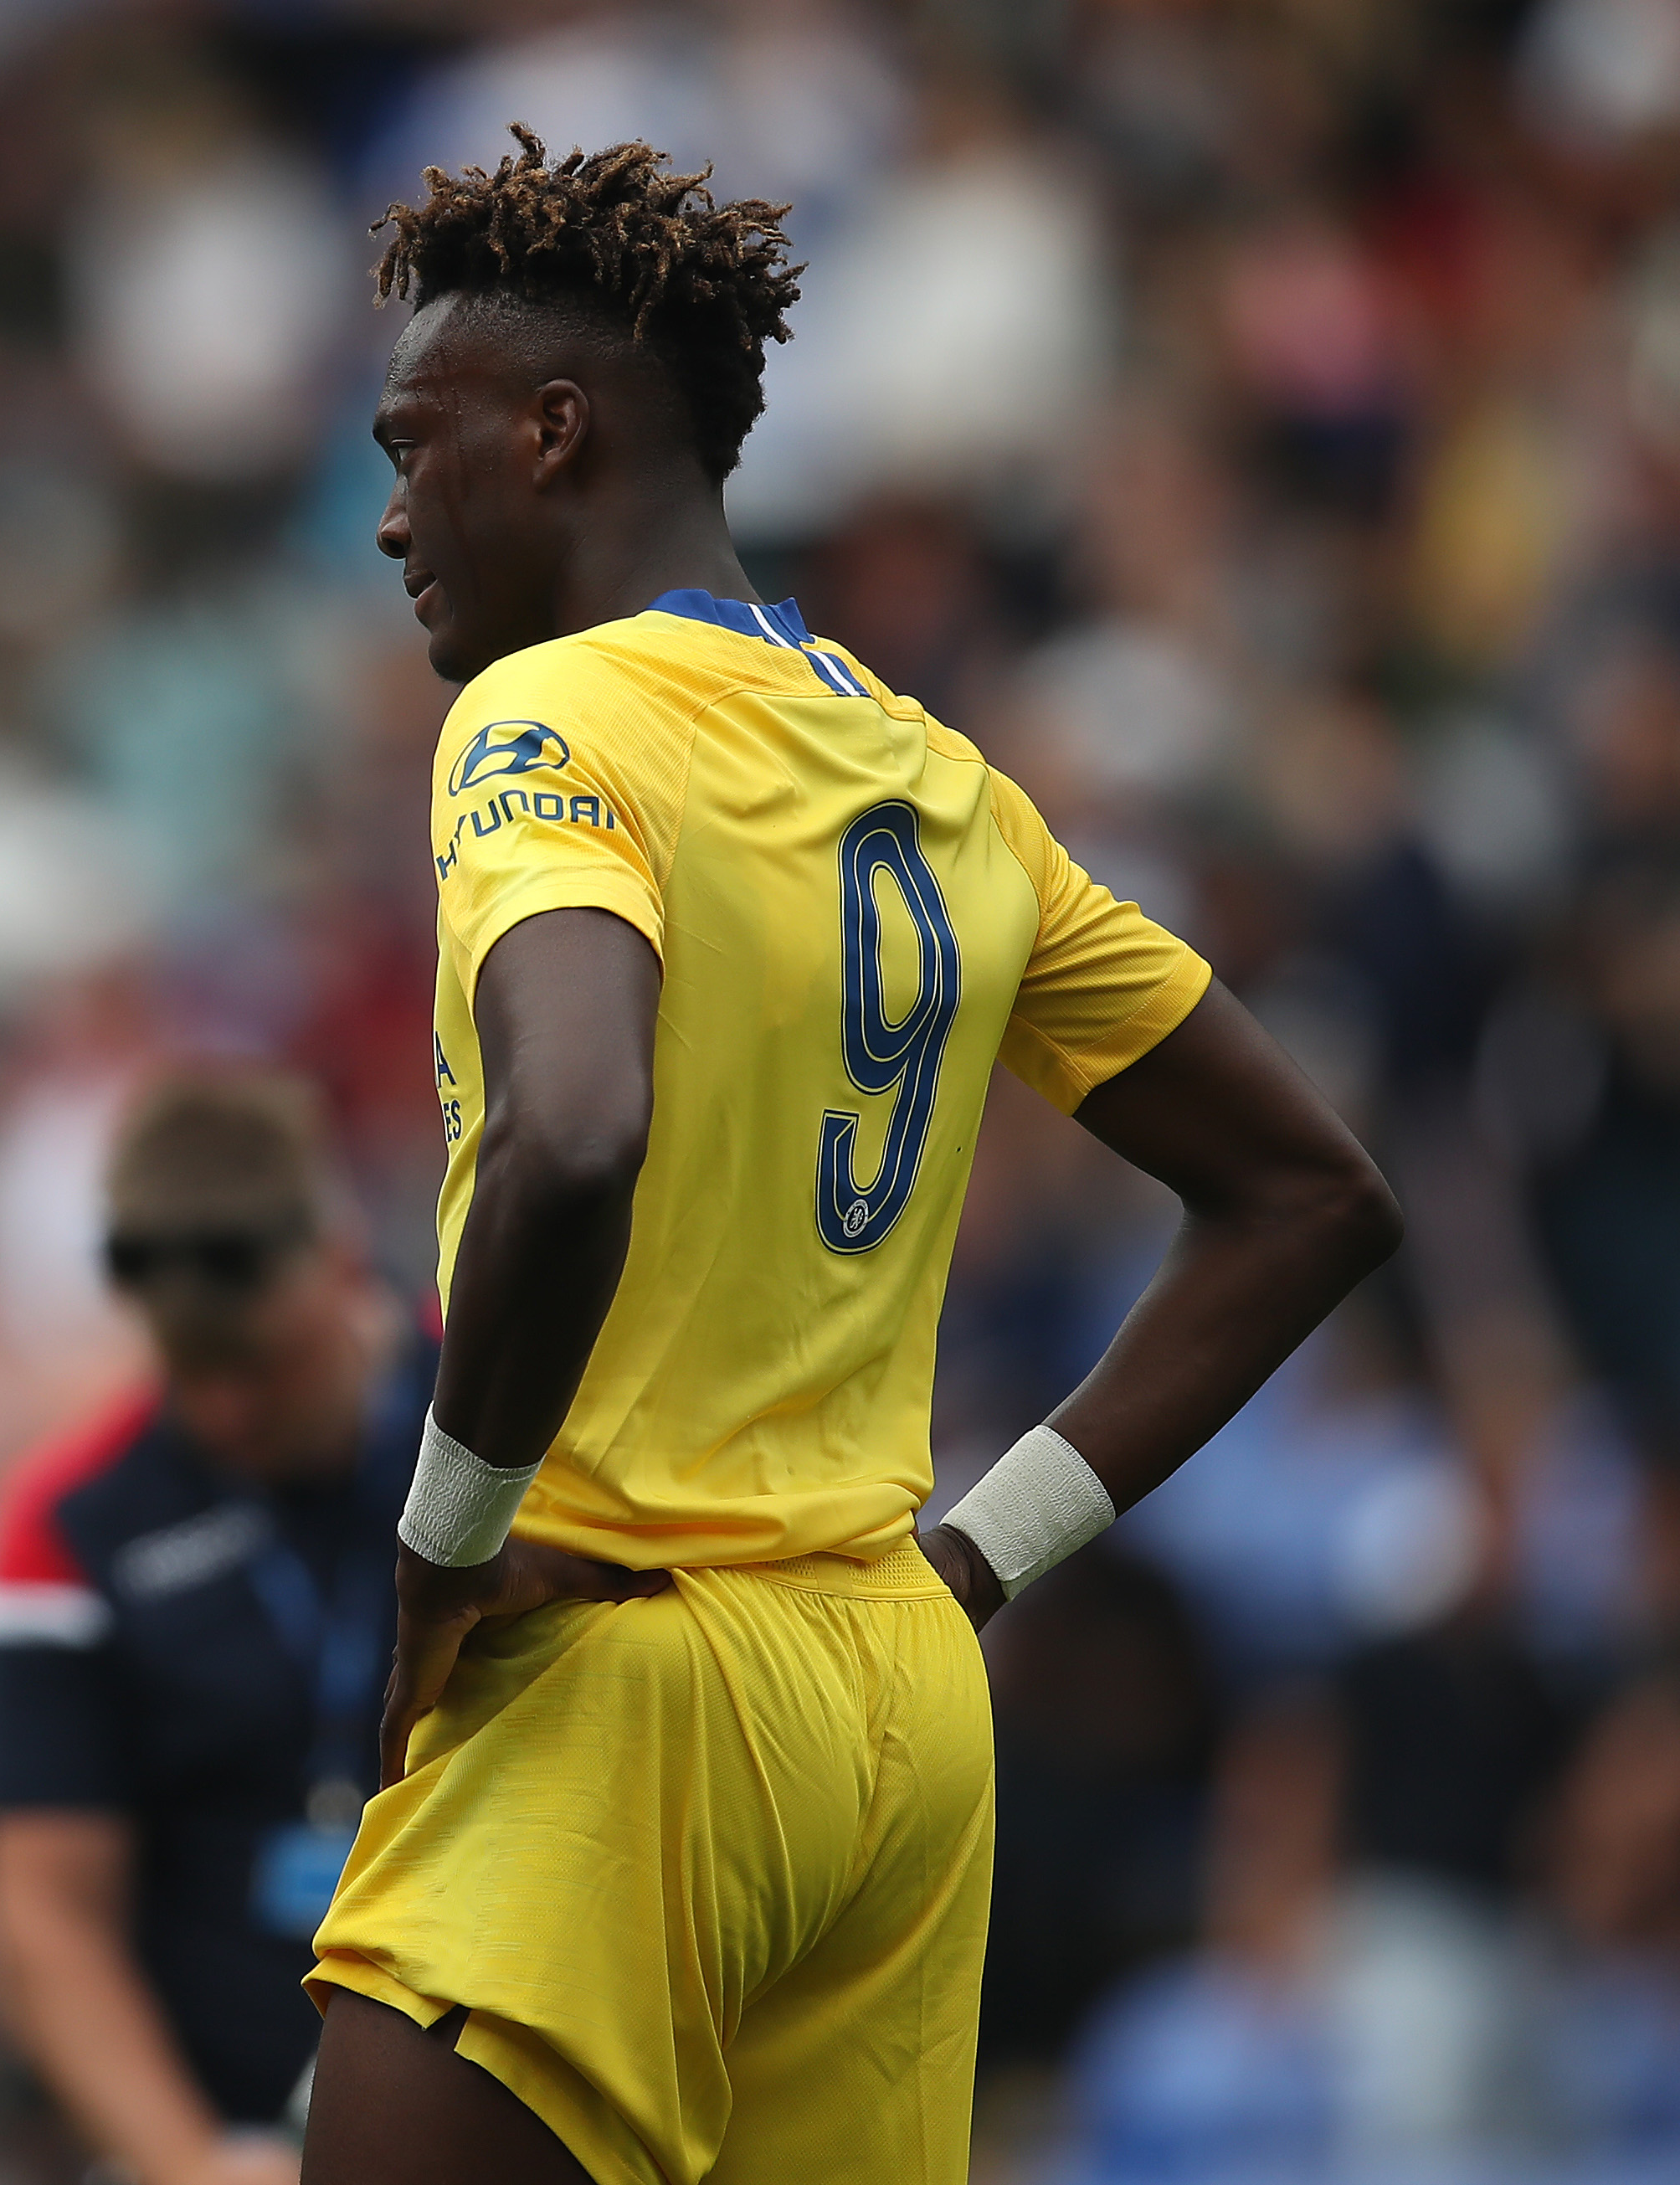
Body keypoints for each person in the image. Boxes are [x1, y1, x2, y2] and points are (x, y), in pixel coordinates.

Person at [300, 133, 1404, 2185]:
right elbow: (1311, 1193)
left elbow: (572, 1134)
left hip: (625, 1682)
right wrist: (989, 1552)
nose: (386, 520)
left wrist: (440, 1549)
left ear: (552, 434)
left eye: (410, 447)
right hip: (898, 1706)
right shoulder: (943, 778)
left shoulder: (553, 721)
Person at [0, 1072, 427, 2185]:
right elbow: (48, 1922)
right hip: (222, 2132)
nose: (226, 1410)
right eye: (192, 1370)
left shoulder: (508, 1414)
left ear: (343, 1265)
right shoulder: (65, 1526)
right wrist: (192, 2163)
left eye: (264, 1364)